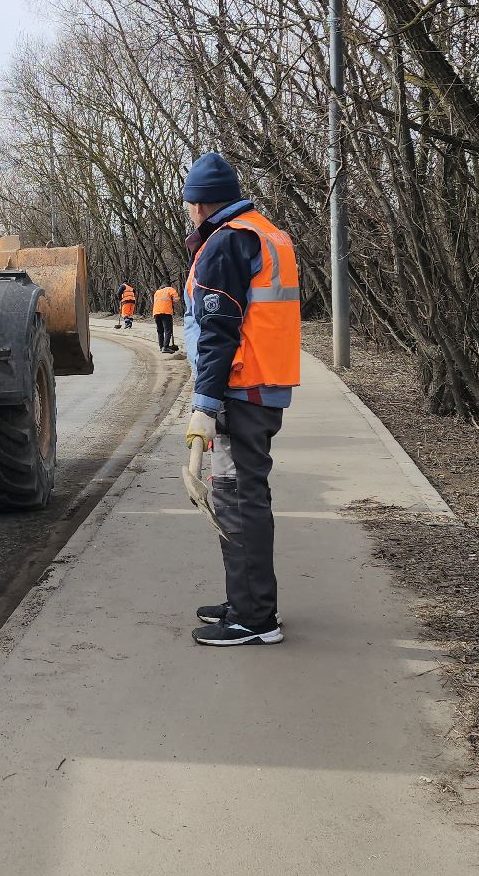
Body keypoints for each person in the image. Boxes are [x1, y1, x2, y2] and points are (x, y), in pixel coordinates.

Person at [178, 151, 300, 647]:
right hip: (261, 386)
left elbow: (218, 331)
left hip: (241, 388)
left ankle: (255, 619)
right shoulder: (265, 232)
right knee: (242, 493)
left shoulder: (227, 243)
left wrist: (204, 405)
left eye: (189, 203)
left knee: (238, 498)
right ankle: (246, 600)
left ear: (200, 203)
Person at [152, 283, 180, 352]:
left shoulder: (157, 292)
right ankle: (166, 347)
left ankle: (161, 347)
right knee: (168, 330)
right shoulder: (170, 289)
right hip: (166, 312)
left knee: (160, 331)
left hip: (156, 313)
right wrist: (174, 300)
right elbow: (176, 299)